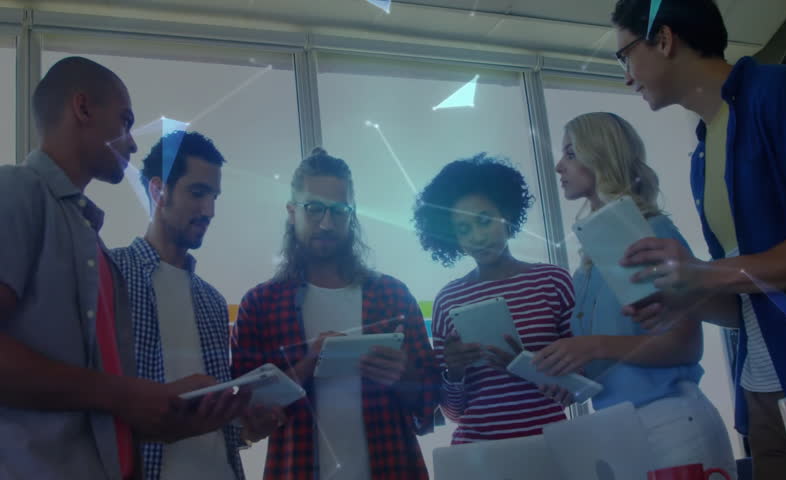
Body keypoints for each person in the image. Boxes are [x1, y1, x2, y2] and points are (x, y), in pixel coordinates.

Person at [611, 1, 786, 478]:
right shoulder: (704, 150)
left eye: (625, 56)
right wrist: (686, 298)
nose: (626, 76)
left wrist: (701, 273)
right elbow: (755, 296)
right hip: (761, 393)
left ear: (664, 39)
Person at [0, 56, 248, 480]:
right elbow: (109, 394)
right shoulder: (16, 191)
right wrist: (125, 395)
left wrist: (162, 422)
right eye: (126, 121)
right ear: (82, 108)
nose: (132, 143)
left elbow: (97, 409)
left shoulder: (90, 243)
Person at [544, 112, 736, 475]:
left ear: (599, 155)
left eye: (570, 153)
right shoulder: (589, 260)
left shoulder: (651, 233)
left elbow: (685, 345)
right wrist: (573, 378)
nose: (558, 166)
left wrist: (593, 347)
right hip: (621, 429)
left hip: (671, 424)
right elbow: (618, 351)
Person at [231, 148, 440, 480]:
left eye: (339, 211)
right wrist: (308, 364)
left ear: (352, 215)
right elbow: (245, 418)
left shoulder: (392, 295)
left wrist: (404, 377)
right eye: (314, 209)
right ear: (291, 212)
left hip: (393, 468)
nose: (326, 223)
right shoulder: (261, 305)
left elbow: (430, 403)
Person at [112, 131, 284, 480]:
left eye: (215, 196)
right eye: (198, 193)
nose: (210, 210)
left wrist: (250, 427)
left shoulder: (212, 301)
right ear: (158, 191)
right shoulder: (112, 275)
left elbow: (220, 428)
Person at [412, 154, 575, 444]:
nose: (477, 236)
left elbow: (578, 388)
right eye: (463, 229)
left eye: (484, 221)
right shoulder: (448, 301)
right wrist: (455, 371)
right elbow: (454, 412)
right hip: (478, 457)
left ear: (507, 215)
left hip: (552, 445)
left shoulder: (553, 282)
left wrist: (526, 366)